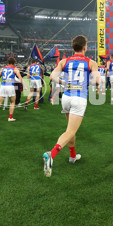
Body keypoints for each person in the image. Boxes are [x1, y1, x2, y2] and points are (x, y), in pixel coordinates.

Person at [42, 35, 100, 177]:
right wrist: (92, 83)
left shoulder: (64, 61)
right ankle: (52, 154)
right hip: (79, 98)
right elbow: (97, 80)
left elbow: (52, 77)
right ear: (85, 47)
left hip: (66, 97)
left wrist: (63, 83)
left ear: (73, 47)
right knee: (70, 131)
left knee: (70, 130)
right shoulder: (91, 62)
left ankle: (72, 156)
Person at [0, 57, 23, 122]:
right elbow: (20, 78)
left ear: (8, 62)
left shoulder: (3, 68)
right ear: (14, 62)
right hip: (10, 86)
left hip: (3, 86)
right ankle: (10, 117)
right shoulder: (15, 69)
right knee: (12, 102)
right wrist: (24, 85)